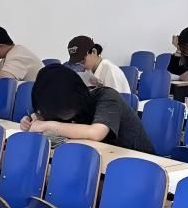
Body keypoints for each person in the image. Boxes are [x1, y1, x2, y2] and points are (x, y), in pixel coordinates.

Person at [22, 64, 155, 154]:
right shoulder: (67, 107)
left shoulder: (107, 97)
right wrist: (31, 120)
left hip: (140, 162)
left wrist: (47, 125)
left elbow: (96, 132)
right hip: (101, 159)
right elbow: (43, 118)